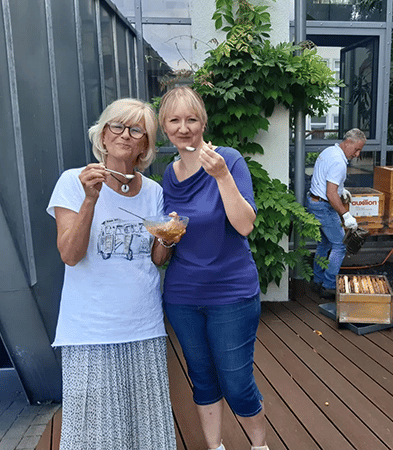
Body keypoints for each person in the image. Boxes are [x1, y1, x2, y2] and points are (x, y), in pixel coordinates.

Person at [46, 98, 177, 450]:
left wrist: (169, 238)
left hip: (142, 325)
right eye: (116, 126)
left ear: (145, 145)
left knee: (146, 430)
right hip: (90, 328)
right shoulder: (74, 182)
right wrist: (90, 199)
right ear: (102, 135)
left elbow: (155, 260)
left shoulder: (154, 192)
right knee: (94, 434)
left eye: (136, 130)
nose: (124, 135)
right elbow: (69, 255)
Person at [156, 86, 269, 450]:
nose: (184, 127)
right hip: (183, 294)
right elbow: (168, 248)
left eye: (191, 119)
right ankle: (215, 447)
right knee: (202, 377)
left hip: (231, 291)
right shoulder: (167, 177)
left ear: (203, 122)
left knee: (236, 380)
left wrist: (221, 177)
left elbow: (245, 225)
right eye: (175, 120)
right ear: (165, 127)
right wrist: (168, 234)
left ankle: (259, 445)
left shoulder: (228, 160)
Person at [306, 128, 366, 299]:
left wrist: (341, 189)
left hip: (314, 201)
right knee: (340, 245)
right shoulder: (339, 162)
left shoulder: (329, 151)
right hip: (323, 206)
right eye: (356, 149)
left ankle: (318, 281)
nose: (357, 154)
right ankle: (329, 286)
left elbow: (326, 181)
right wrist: (346, 215)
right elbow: (331, 194)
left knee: (324, 244)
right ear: (348, 142)